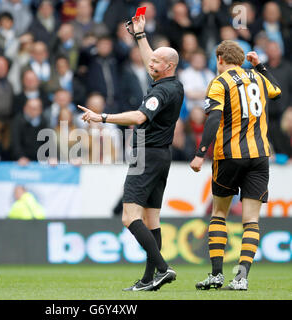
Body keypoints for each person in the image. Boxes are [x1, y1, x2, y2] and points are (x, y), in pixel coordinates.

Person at [78, 14, 183, 291]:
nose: (150, 63)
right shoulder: (174, 85)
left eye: (156, 61)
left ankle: (162, 268)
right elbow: (152, 58)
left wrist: (102, 118)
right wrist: (140, 35)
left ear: (168, 66)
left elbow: (138, 118)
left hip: (145, 156)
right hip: (162, 155)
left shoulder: (159, 93)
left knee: (129, 217)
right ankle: (150, 279)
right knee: (152, 219)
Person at [190, 41, 281, 290]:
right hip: (260, 155)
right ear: (241, 59)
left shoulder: (220, 82)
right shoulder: (258, 77)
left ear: (220, 58)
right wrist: (259, 65)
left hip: (229, 155)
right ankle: (241, 278)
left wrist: (200, 153)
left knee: (219, 213)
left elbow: (214, 118)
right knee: (251, 221)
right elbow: (277, 91)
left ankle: (217, 275)